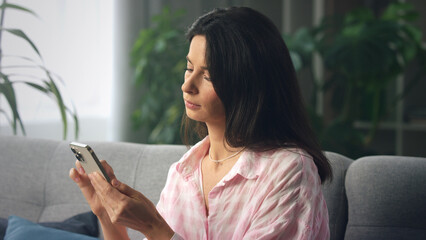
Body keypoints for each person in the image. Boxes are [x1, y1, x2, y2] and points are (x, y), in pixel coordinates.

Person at [69, 6, 332, 240]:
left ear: (248, 84)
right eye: (189, 67)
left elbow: (160, 234)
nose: (186, 85)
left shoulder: (289, 171)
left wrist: (153, 226)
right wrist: (105, 213)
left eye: (208, 76)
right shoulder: (183, 173)